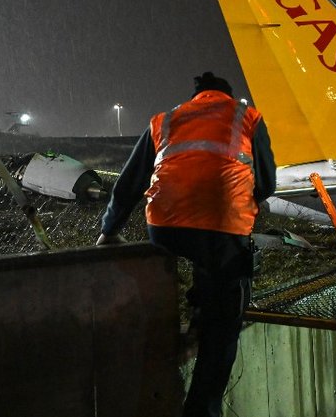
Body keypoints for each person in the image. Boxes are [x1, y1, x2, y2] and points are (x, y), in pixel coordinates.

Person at [96, 71, 276, 417]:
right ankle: (201, 408)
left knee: (173, 284)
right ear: (227, 95)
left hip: (165, 225)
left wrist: (109, 229)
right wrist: (244, 199)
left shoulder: (167, 119)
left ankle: (165, 353)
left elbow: (130, 181)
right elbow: (267, 184)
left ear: (197, 97)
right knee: (224, 322)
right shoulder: (248, 117)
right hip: (223, 225)